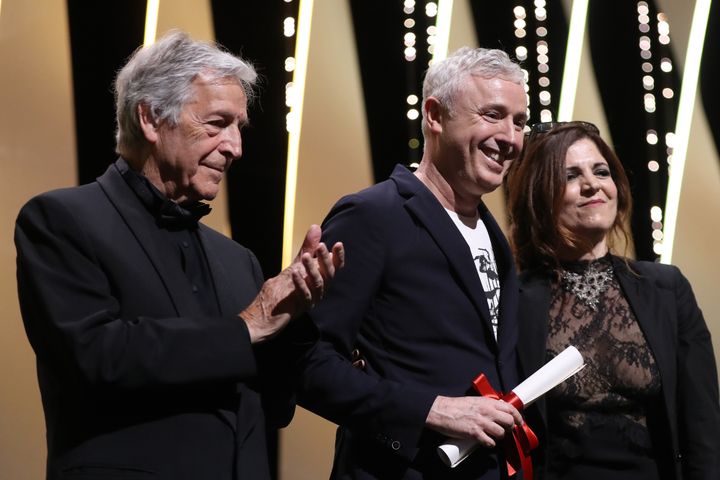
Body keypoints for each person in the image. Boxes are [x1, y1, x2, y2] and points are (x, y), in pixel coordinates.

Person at [15, 31, 344, 480]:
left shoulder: (237, 259)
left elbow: (274, 406)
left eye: (239, 128)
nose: (235, 147)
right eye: (217, 124)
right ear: (150, 119)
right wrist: (248, 325)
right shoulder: (62, 220)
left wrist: (295, 315)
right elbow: (95, 358)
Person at [296, 47, 529, 479]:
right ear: (435, 115)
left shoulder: (496, 236)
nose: (511, 138)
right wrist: (429, 410)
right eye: (493, 114)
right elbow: (306, 363)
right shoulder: (374, 215)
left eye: (519, 122)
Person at [505, 121, 720, 479]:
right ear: (539, 196)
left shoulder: (667, 288)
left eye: (601, 171)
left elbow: (703, 425)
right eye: (571, 175)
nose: (592, 184)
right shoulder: (515, 299)